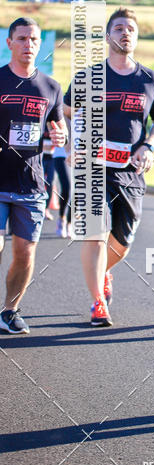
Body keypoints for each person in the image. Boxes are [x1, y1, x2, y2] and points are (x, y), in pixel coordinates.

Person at [64, 7, 154, 327]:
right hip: (92, 169)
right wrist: (72, 144)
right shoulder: (89, 76)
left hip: (129, 171)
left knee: (122, 243)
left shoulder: (149, 79)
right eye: (119, 28)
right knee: (95, 235)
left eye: (131, 29)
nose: (125, 33)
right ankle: (97, 303)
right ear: (108, 35)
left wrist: (148, 146)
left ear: (136, 38)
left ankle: (105, 272)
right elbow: (66, 111)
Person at [0, 17, 67, 334]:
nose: (29, 44)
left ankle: (9, 311)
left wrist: (61, 137)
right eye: (22, 38)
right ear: (10, 42)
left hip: (31, 184)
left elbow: (57, 128)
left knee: (24, 254)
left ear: (40, 45)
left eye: (34, 40)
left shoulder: (51, 87)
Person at [53, 140, 72, 238]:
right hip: (62, 154)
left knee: (77, 190)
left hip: (80, 155)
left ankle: (70, 222)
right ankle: (62, 218)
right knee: (67, 186)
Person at [41, 128, 56, 219]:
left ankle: (46, 209)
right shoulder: (41, 120)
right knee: (39, 182)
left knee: (50, 183)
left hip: (52, 157)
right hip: (40, 157)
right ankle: (39, 207)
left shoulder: (55, 122)